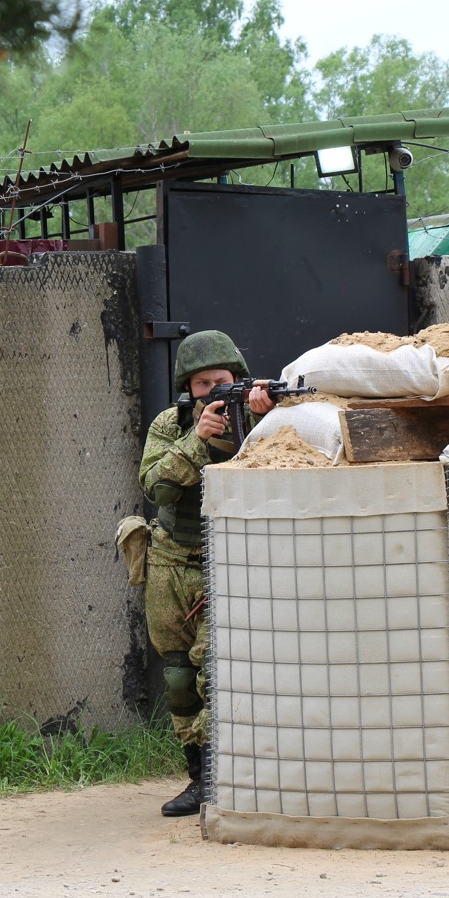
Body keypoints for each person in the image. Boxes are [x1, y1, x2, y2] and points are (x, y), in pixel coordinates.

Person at [137, 330, 273, 817]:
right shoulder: (171, 425)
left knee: (219, 672)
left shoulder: (262, 419)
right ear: (186, 387)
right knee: (178, 676)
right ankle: (199, 778)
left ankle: (225, 777)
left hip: (231, 558)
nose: (211, 391)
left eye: (221, 381)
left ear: (239, 378)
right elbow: (157, 490)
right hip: (172, 561)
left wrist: (256, 420)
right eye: (201, 384)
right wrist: (197, 439)